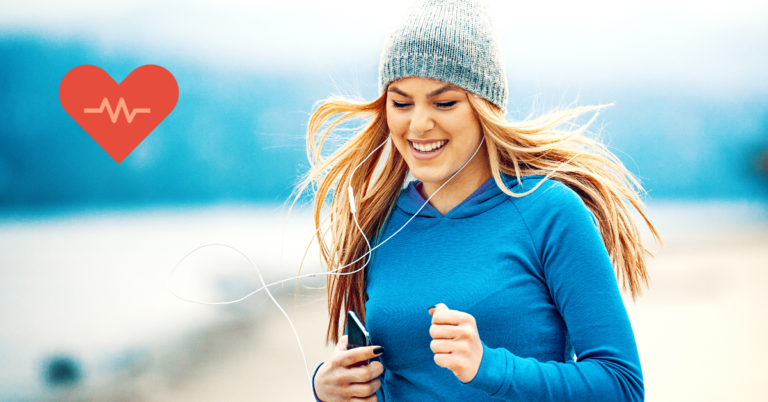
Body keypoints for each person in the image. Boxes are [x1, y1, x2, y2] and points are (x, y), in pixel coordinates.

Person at [290, 0, 663, 400]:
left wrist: (491, 368)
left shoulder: (551, 214)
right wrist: (330, 390)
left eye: (444, 102)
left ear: (486, 106)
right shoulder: (377, 223)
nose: (418, 124)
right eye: (400, 102)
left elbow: (622, 387)